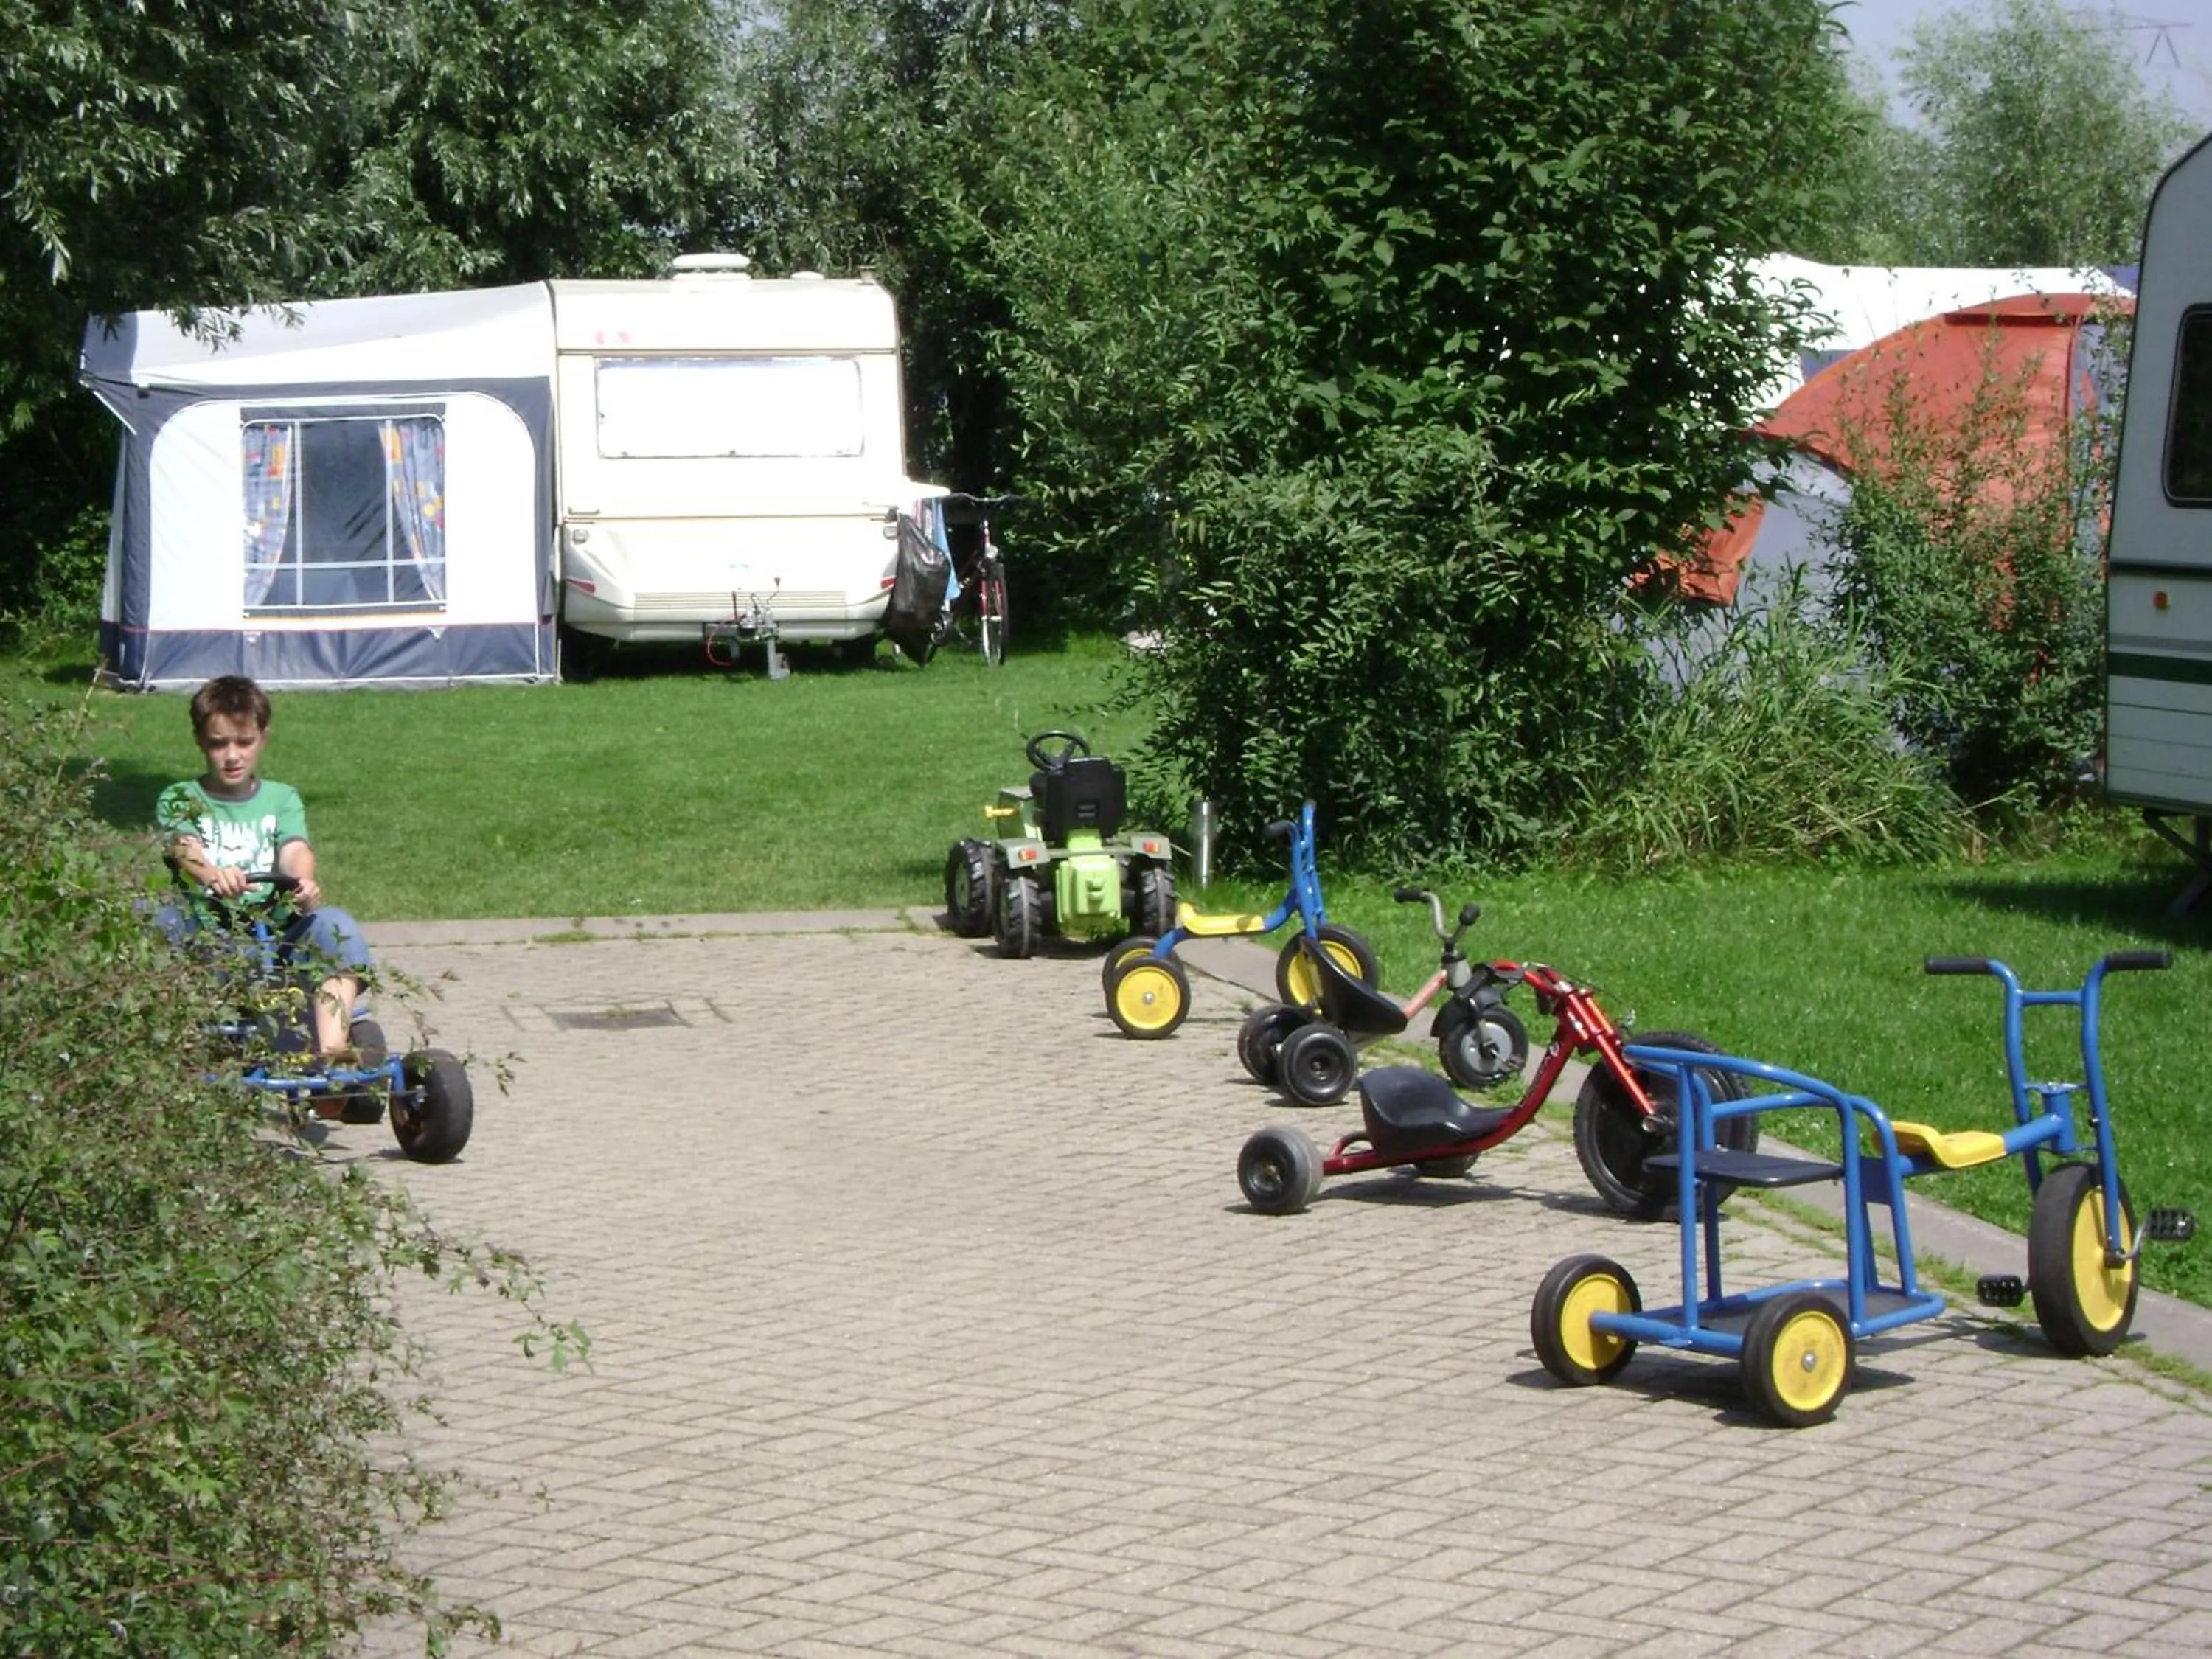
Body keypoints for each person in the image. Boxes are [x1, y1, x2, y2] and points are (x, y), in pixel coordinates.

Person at [155, 675, 373, 1060]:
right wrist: (211, 875)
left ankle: (333, 1054)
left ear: (263, 738)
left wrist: (302, 880)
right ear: (200, 741)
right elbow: (183, 847)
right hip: (210, 935)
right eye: (219, 744)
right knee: (158, 917)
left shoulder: (281, 797)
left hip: (276, 933)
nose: (232, 755)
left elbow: (294, 848)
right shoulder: (180, 797)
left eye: (244, 742)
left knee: (334, 924)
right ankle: (177, 1044)